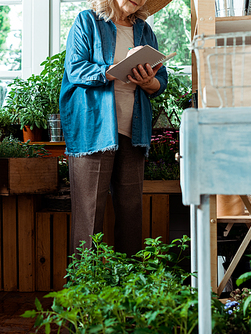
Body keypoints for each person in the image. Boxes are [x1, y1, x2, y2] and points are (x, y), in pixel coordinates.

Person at [60, 0, 170, 257]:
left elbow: (161, 82)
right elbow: (75, 69)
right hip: (93, 130)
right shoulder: (87, 21)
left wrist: (148, 81)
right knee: (89, 215)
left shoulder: (144, 30)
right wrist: (113, 71)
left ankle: (128, 289)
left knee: (131, 213)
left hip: (134, 131)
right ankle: (82, 289)